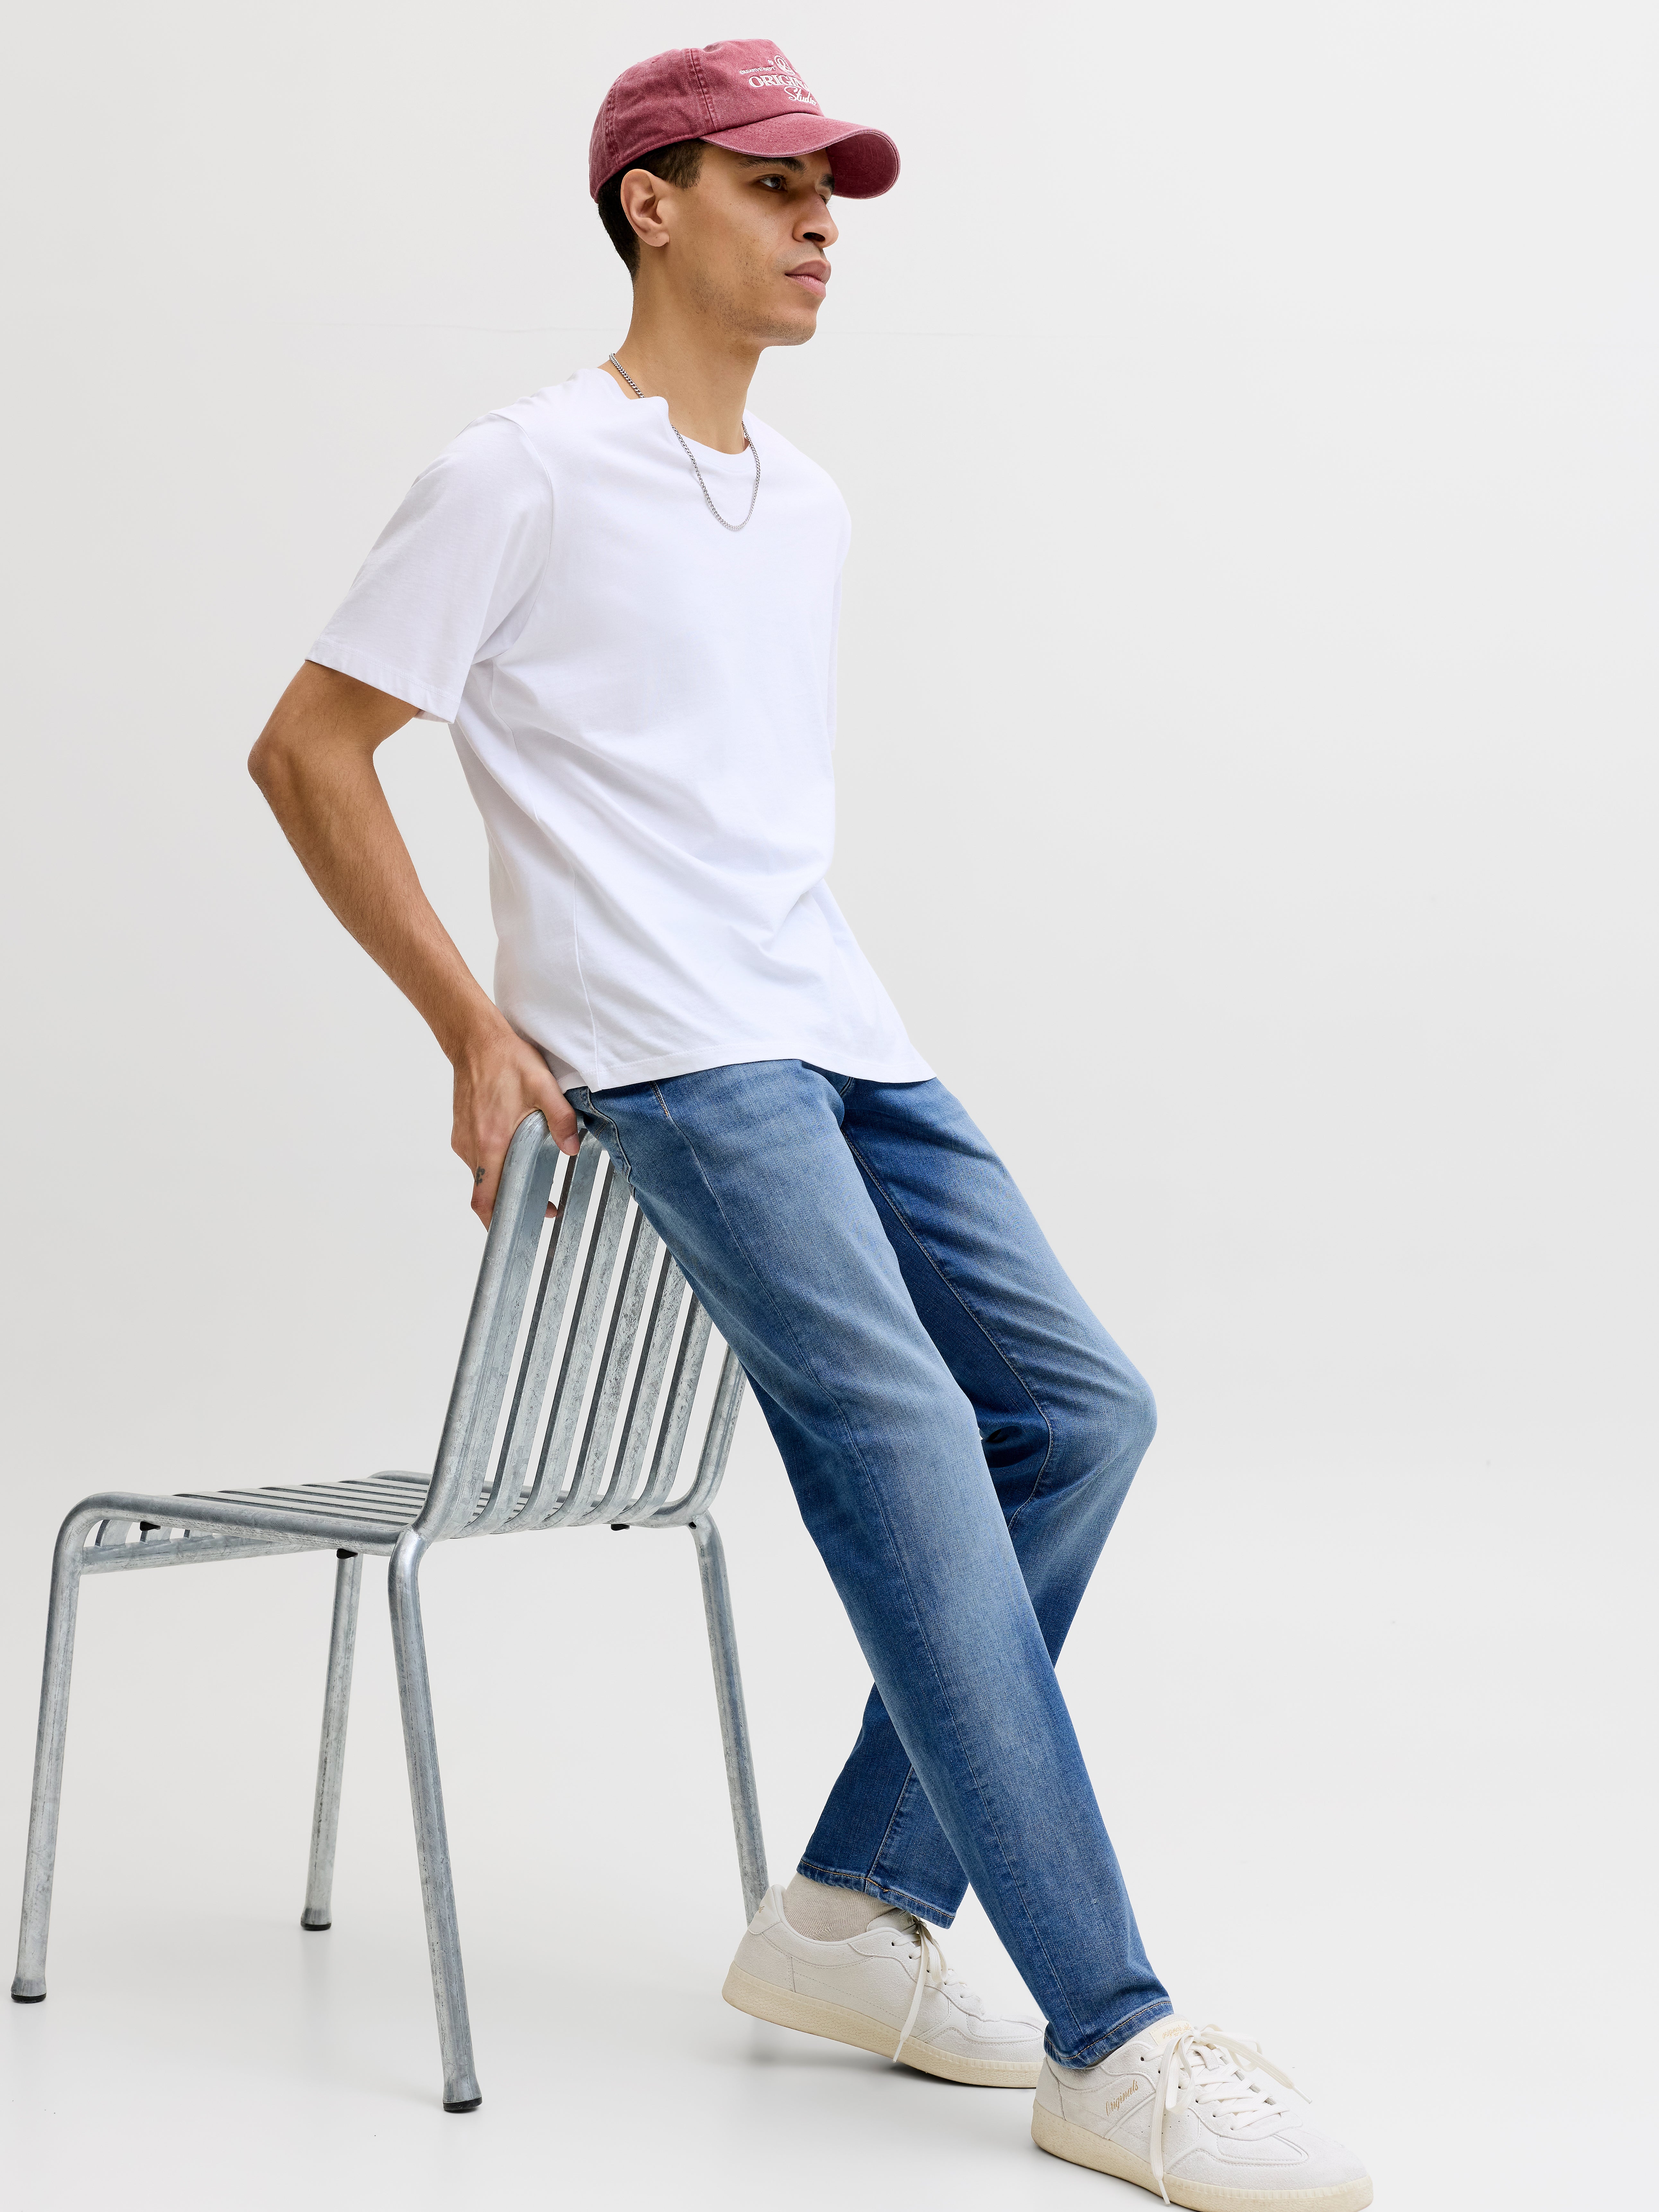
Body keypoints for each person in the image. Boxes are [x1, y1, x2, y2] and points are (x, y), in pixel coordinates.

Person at [249, 39, 1371, 2210]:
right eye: (770, 184)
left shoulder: (811, 502)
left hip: (840, 1021)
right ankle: (1115, 2037)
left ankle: (849, 1916)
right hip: (672, 1053)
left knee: (1082, 1412)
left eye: (829, 187)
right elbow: (309, 747)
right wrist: (471, 1025)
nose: (819, 219)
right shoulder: (520, 472)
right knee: (909, 1440)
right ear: (649, 204)